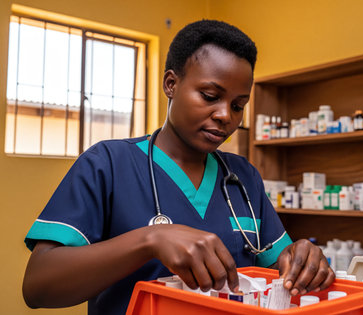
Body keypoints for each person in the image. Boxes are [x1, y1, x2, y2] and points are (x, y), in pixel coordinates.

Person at [22, 20, 334, 314]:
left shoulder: (242, 178)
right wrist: (150, 240)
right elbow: (38, 287)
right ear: (171, 84)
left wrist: (303, 260)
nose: (226, 115)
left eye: (238, 106)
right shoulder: (108, 164)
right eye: (210, 96)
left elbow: (280, 267)